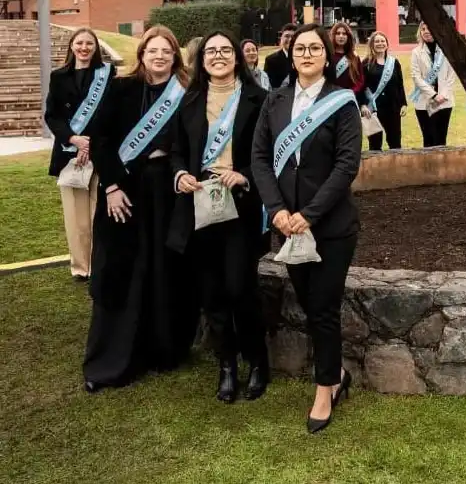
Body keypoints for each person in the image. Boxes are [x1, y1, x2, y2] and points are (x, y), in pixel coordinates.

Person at [251, 23, 362, 431]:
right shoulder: (274, 100)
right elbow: (260, 158)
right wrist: (277, 209)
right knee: (312, 305)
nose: (308, 54)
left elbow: (347, 164)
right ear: (291, 53)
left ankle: (324, 389)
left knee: (323, 308)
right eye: (301, 48)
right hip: (288, 225)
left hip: (330, 226)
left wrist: (309, 213)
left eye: (315, 47)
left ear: (326, 55)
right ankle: (338, 375)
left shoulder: (341, 102)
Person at [84, 26, 196, 392]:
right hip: (125, 189)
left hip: (168, 189)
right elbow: (99, 141)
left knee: (165, 266)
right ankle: (113, 360)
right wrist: (112, 186)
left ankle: (163, 350)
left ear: (175, 56)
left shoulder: (186, 92)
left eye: (167, 51)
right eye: (153, 50)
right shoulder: (120, 89)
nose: (160, 56)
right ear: (142, 54)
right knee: (122, 267)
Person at [169, 31, 270, 403]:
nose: (218, 56)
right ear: (202, 59)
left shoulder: (260, 99)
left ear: (237, 57)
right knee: (211, 291)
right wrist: (179, 174)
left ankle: (258, 362)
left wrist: (243, 173)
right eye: (211, 51)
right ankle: (226, 365)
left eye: (225, 50)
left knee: (240, 288)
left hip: (240, 203)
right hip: (200, 203)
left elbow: (270, 152)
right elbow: (177, 150)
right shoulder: (190, 99)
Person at [44, 28, 116, 282]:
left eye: (89, 43)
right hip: (68, 154)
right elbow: (52, 115)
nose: (84, 48)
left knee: (99, 214)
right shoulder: (58, 76)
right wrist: (73, 139)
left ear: (96, 47)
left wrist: (90, 143)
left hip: (100, 153)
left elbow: (111, 114)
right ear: (72, 46)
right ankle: (80, 266)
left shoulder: (108, 75)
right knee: (75, 217)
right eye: (79, 43)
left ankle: (99, 263)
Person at [410, 22, 456, 147]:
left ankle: (441, 166)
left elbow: (451, 76)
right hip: (424, 102)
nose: (426, 31)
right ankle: (428, 166)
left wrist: (443, 95)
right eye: (423, 29)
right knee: (428, 139)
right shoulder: (416, 52)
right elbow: (416, 77)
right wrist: (434, 95)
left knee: (441, 139)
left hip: (444, 101)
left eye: (429, 28)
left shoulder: (446, 50)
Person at [362, 31, 407, 151]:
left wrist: (403, 104)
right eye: (377, 41)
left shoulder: (394, 62)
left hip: (393, 108)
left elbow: (400, 85)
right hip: (373, 109)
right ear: (372, 44)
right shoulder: (366, 63)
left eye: (382, 41)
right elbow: (361, 86)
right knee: (375, 144)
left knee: (395, 142)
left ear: (387, 44)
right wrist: (362, 105)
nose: (380, 44)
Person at [329, 21, 366, 99]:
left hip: (349, 98)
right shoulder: (327, 56)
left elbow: (360, 80)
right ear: (333, 36)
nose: (341, 36)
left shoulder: (354, 57)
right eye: (338, 33)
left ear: (348, 37)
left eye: (344, 34)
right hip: (330, 98)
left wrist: (350, 93)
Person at [263, 23, 299, 89]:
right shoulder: (271, 60)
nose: (290, 39)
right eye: (287, 36)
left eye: (293, 37)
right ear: (281, 38)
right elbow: (269, 86)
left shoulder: (303, 58)